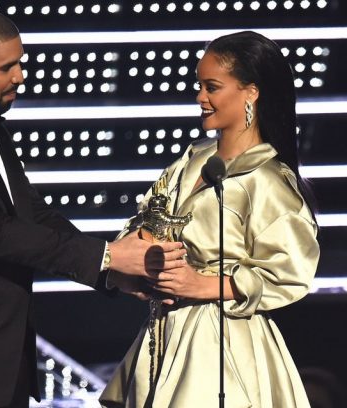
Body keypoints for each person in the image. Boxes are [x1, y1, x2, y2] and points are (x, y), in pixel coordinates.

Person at [0, 6, 184, 408]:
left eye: (19, 63)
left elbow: (32, 215)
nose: (20, 77)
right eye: (7, 67)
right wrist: (109, 256)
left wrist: (109, 271)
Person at [100, 31, 320, 407]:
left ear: (251, 92)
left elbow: (291, 272)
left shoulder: (267, 180)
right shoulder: (191, 161)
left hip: (222, 344)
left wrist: (201, 285)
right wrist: (138, 264)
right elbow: (142, 222)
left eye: (212, 87)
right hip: (163, 331)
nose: (200, 97)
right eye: (199, 86)